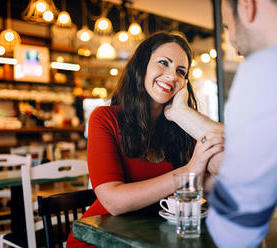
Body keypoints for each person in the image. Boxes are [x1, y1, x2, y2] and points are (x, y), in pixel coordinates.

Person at [166, 0, 277, 247]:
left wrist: (215, 179)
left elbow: (235, 231)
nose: (232, 42)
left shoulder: (270, 68)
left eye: (227, 26)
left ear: (246, 6)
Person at [66, 32, 224, 247]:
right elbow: (113, 202)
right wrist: (189, 171)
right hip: (101, 240)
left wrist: (181, 113)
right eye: (163, 63)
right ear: (142, 66)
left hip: (152, 239)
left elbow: (231, 161)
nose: (172, 75)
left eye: (180, 71)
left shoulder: (179, 127)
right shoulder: (105, 118)